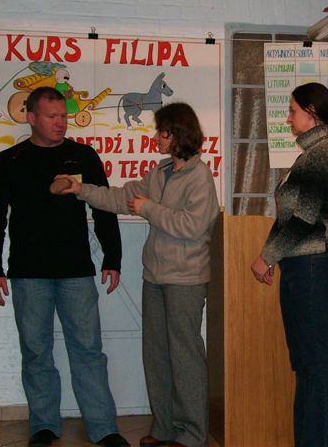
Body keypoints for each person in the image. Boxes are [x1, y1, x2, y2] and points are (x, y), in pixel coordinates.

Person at [54, 102, 219, 447]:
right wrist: (79, 189)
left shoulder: (200, 176)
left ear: (178, 134)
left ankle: (192, 435)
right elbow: (119, 198)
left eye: (162, 131)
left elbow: (192, 227)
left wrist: (149, 209)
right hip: (154, 278)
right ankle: (165, 428)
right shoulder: (159, 173)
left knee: (185, 357)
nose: (156, 137)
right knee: (156, 355)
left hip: (185, 280)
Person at [0, 87, 128, 447]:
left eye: (63, 116)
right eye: (51, 116)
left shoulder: (83, 156)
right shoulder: (8, 160)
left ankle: (104, 428)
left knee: (88, 351)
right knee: (36, 352)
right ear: (31, 118)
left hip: (76, 271)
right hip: (28, 273)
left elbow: (104, 208)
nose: (60, 123)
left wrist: (112, 257)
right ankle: (44, 426)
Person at [250, 82, 328, 447]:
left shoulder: (321, 153)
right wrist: (272, 253)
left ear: (311, 112)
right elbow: (289, 218)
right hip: (302, 267)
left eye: (292, 111)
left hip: (311, 268)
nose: (288, 118)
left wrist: (267, 256)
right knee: (307, 365)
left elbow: (305, 219)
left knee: (316, 365)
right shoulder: (311, 154)